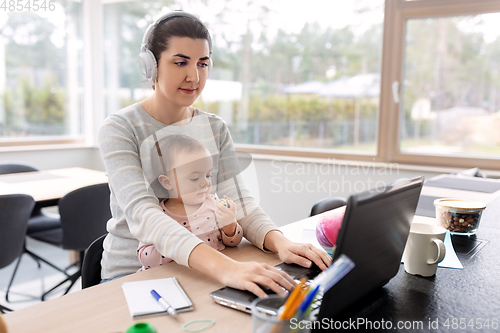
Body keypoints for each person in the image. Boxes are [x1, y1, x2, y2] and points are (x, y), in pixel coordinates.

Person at [98, 11, 331, 298]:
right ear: (151, 66)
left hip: (199, 267)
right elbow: (144, 215)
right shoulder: (120, 128)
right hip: (134, 276)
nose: (194, 76)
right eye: (180, 62)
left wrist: (279, 241)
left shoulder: (214, 127)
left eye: (203, 63)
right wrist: (226, 268)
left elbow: (239, 202)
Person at [137, 134, 243, 271]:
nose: (205, 182)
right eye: (194, 178)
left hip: (211, 275)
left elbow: (234, 243)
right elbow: (145, 257)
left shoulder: (214, 204)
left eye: (208, 175)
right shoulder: (158, 216)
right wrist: (178, 245)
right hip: (171, 280)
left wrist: (230, 224)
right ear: (167, 182)